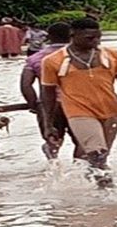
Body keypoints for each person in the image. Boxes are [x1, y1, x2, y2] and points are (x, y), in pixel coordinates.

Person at [41, 18, 117, 187]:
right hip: (78, 112)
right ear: (72, 35)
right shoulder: (53, 61)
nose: (95, 42)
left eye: (98, 38)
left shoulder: (112, 55)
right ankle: (108, 191)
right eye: (89, 38)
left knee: (100, 154)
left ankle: (84, 187)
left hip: (112, 110)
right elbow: (48, 94)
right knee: (97, 153)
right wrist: (48, 124)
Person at [20, 22, 82, 160]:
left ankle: (53, 166)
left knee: (53, 139)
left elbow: (26, 85)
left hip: (49, 105)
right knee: (82, 142)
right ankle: (82, 171)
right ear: (72, 36)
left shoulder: (35, 58)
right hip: (78, 104)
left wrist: (34, 105)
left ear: (48, 37)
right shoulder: (81, 56)